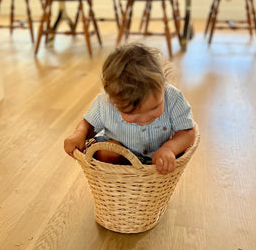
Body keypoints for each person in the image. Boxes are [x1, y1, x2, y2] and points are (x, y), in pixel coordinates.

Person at [64, 43, 195, 175]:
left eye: (155, 107)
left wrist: (169, 149)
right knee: (107, 150)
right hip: (119, 161)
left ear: (163, 83)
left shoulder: (172, 97)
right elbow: (88, 124)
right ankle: (120, 180)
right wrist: (79, 134)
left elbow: (188, 131)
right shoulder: (105, 103)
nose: (145, 119)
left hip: (158, 161)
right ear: (113, 100)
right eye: (133, 114)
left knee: (175, 150)